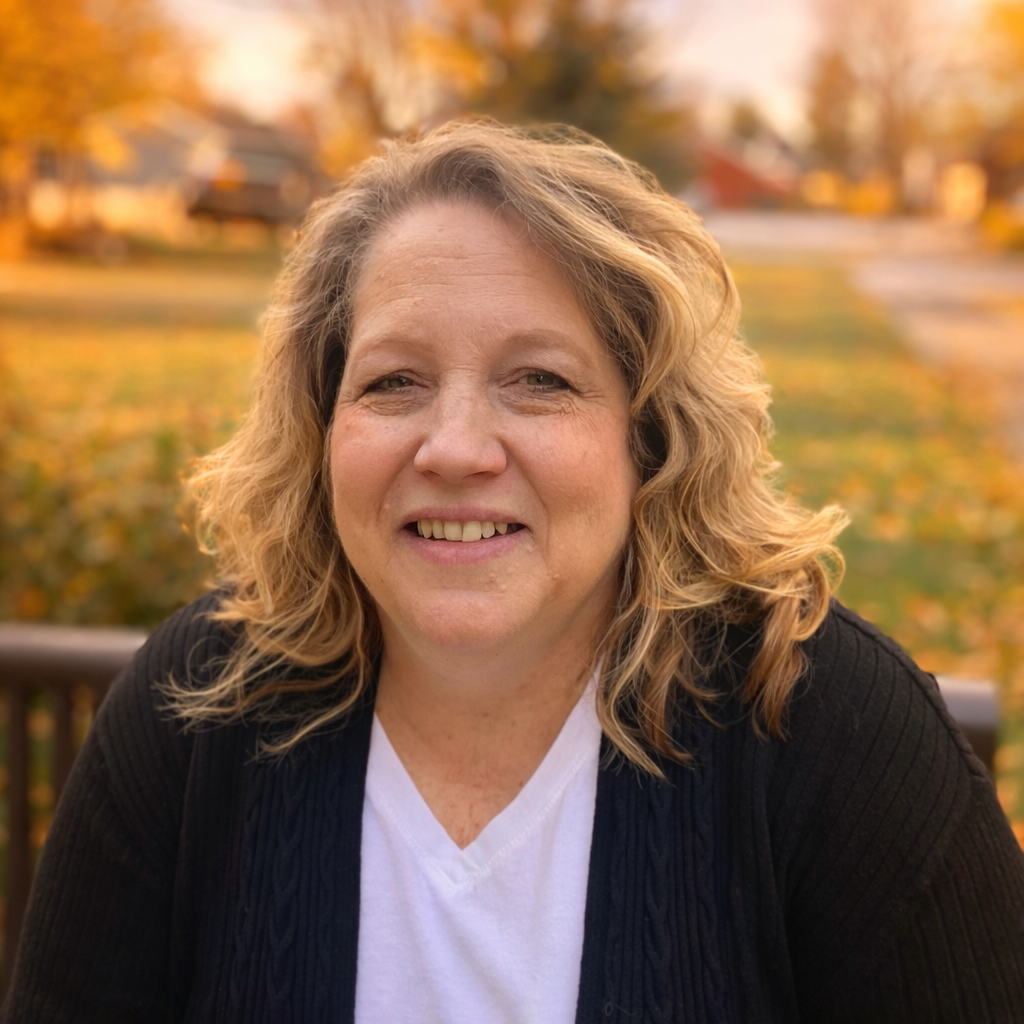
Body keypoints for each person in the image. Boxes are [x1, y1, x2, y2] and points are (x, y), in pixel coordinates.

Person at [4, 120, 1024, 1024]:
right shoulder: (196, 710)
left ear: (651, 436)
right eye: (393, 381)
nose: (453, 447)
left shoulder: (825, 725)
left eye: (539, 380)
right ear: (321, 431)